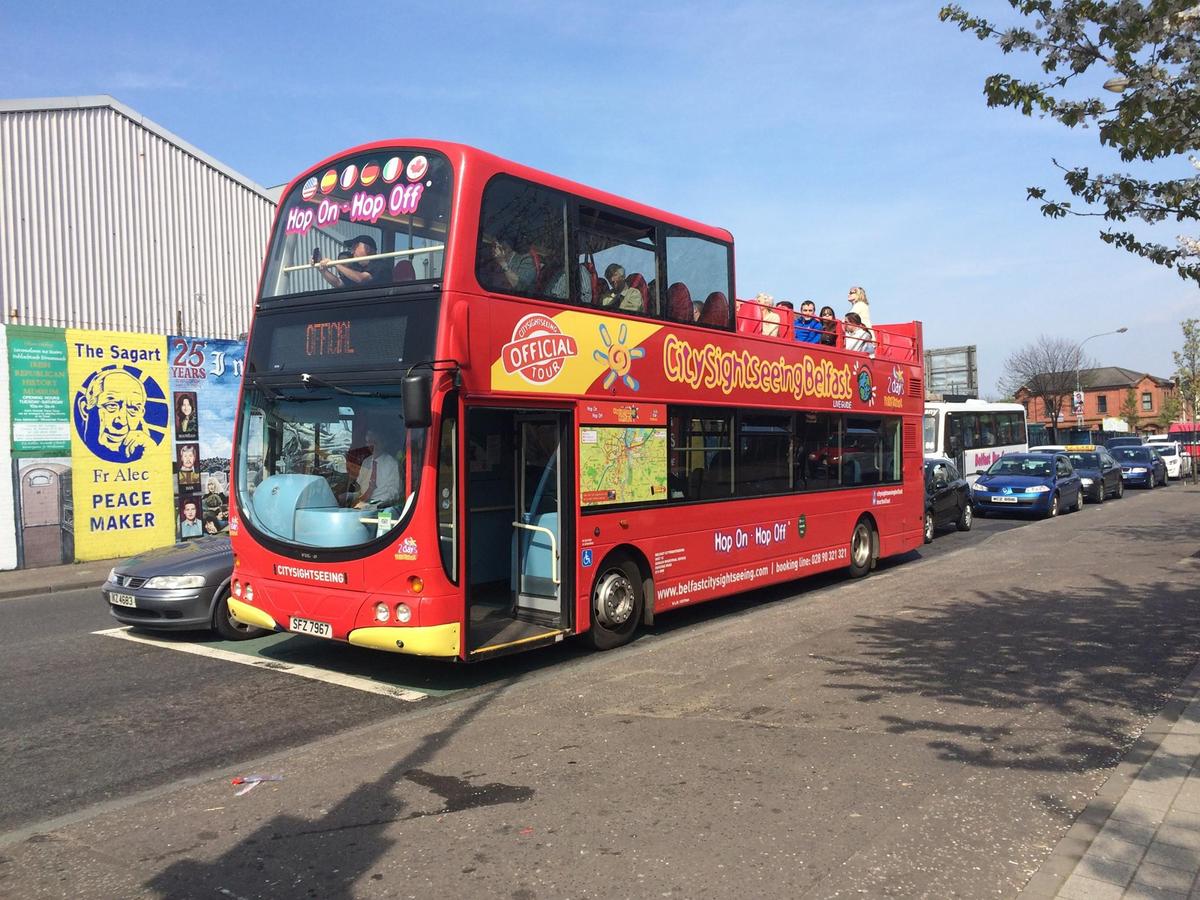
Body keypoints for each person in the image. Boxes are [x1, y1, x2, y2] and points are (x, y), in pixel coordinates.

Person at [77, 368, 157, 462]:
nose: (122, 422)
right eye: (111, 405)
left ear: (141, 414)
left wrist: (152, 454)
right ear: (85, 408)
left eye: (133, 409)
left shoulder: (146, 450)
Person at [352, 424, 401, 509]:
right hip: (362, 507)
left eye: (375, 442)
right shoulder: (366, 462)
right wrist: (350, 496)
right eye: (369, 442)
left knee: (387, 513)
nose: (371, 445)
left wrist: (373, 504)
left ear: (383, 443)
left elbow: (394, 493)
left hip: (382, 509)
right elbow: (359, 488)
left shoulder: (392, 464)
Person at [317, 234, 392, 288]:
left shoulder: (381, 265)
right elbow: (338, 283)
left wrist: (336, 264)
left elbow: (361, 279)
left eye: (355, 247)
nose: (352, 252)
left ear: (368, 249)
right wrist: (322, 270)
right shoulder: (356, 268)